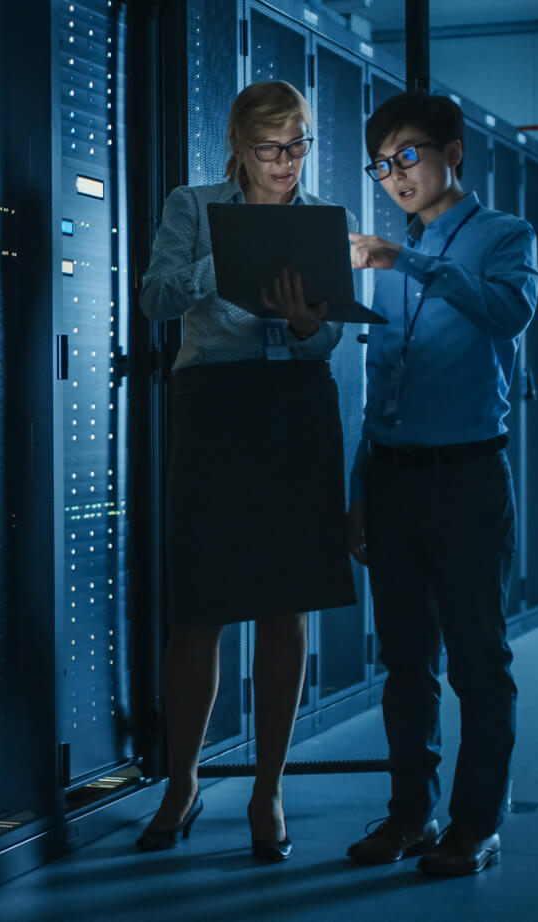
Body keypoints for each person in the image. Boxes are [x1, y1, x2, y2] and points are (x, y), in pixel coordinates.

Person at [136, 80, 356, 862]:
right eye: (271, 149)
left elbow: (329, 341)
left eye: (298, 146)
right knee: (198, 607)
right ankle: (183, 780)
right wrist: (220, 262)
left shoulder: (329, 220)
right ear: (238, 146)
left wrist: (305, 326)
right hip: (214, 407)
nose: (286, 163)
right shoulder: (192, 205)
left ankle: (269, 789)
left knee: (285, 604)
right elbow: (155, 298)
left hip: (294, 406)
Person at [344, 90, 538, 876]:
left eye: (410, 155)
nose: (395, 175)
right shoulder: (387, 262)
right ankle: (408, 816)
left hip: (467, 478)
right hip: (392, 482)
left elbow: (508, 313)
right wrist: (359, 486)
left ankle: (475, 824)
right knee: (404, 663)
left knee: (478, 666)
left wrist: (408, 260)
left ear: (453, 151)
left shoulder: (505, 235)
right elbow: (382, 382)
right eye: (383, 163)